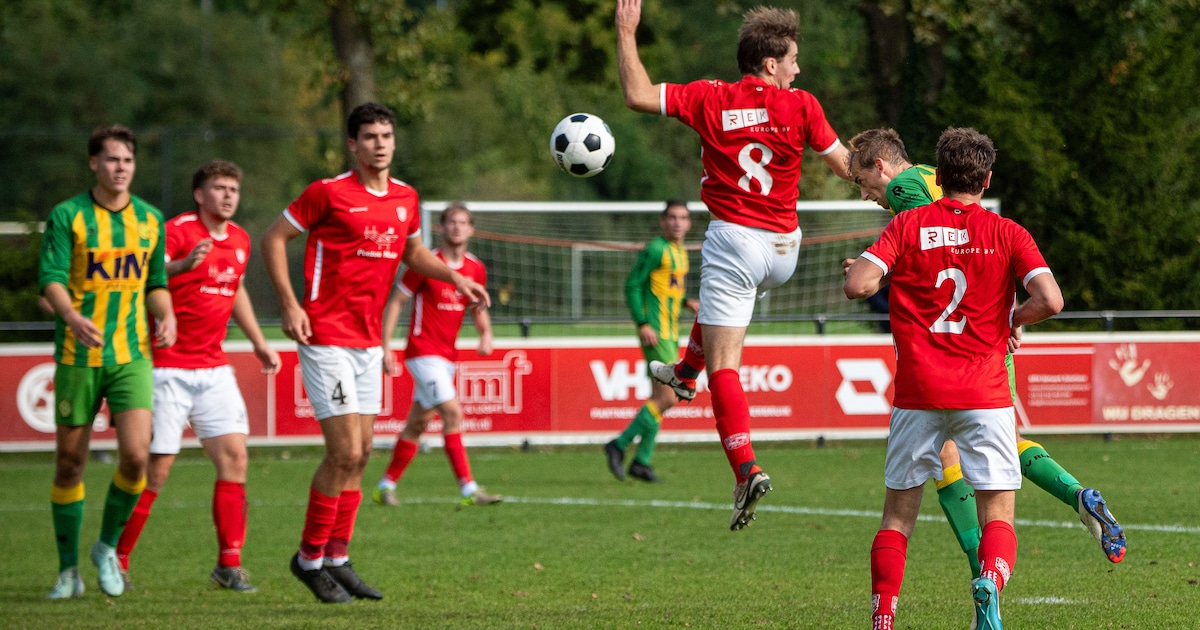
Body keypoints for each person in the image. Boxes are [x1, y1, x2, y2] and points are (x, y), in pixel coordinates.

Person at [844, 128, 1126, 574]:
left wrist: (876, 271)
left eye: (862, 183)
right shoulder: (932, 179)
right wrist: (1005, 314)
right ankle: (1076, 494)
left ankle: (982, 568)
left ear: (881, 166)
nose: (865, 196)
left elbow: (938, 257)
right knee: (999, 443)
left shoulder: (902, 189)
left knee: (945, 458)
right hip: (981, 333)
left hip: (952, 345)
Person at [616, 0, 851, 529]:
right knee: (717, 327)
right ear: (770, 63)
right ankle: (681, 373)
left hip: (735, 241)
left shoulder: (709, 97)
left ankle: (745, 468)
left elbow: (634, 94)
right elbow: (845, 166)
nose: (797, 68)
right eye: (792, 59)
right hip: (785, 250)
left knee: (726, 368)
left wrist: (626, 31)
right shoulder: (803, 106)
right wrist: (890, 186)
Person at [261, 102, 488, 604]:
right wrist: (289, 304)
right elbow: (274, 239)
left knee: (362, 455)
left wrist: (453, 276)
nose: (380, 143)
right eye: (369, 136)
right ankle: (308, 559)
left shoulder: (406, 197)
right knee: (342, 451)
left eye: (386, 135)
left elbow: (412, 252)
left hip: (367, 343)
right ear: (353, 144)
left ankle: (338, 557)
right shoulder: (328, 193)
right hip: (325, 336)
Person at [114, 160, 281, 593]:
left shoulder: (241, 239)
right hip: (166, 367)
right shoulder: (177, 232)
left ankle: (228, 565)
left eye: (233, 189)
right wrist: (184, 265)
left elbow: (237, 287)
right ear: (199, 194)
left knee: (235, 460)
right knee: (157, 471)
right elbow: (144, 278)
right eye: (219, 188)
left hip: (212, 367)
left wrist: (259, 341)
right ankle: (117, 559)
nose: (228, 195)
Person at [38, 124, 177, 599]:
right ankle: (67, 571)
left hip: (131, 355)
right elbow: (51, 279)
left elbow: (155, 281)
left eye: (128, 161)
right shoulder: (68, 216)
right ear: (94, 163)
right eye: (112, 159)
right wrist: (72, 316)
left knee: (137, 457)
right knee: (69, 463)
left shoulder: (151, 219)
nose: (121, 168)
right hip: (79, 355)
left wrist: (167, 314)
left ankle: (106, 548)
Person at [372, 203, 501, 508]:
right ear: (441, 228)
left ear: (471, 230)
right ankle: (469, 489)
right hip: (421, 351)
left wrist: (486, 333)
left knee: (418, 423)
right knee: (453, 413)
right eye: (451, 222)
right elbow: (396, 302)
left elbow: (477, 307)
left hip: (447, 357)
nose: (457, 227)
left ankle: (384, 486)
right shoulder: (427, 263)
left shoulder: (475, 268)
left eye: (463, 222)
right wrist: (385, 345)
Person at [604, 200, 699, 483]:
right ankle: (619, 445)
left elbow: (664, 288)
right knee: (669, 396)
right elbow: (633, 285)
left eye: (682, 217)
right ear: (662, 221)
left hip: (671, 332)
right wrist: (642, 322)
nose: (677, 222)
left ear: (689, 223)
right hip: (656, 332)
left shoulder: (680, 253)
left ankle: (642, 460)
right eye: (672, 217)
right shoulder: (656, 248)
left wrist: (685, 302)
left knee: (660, 399)